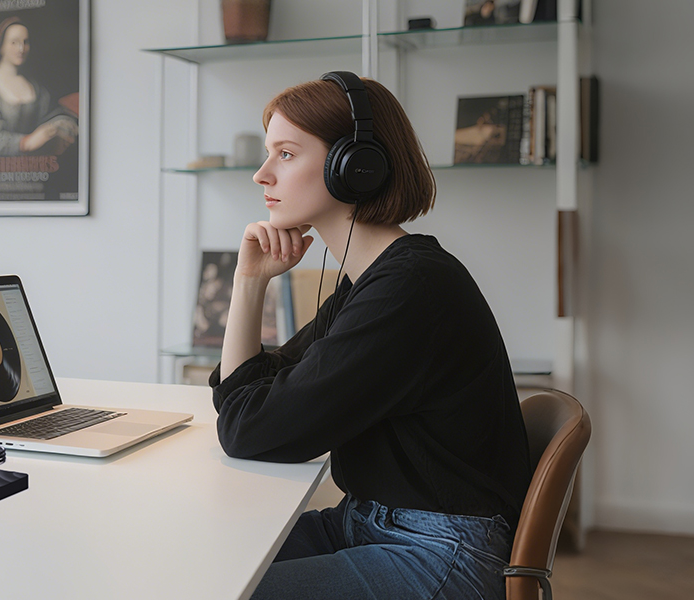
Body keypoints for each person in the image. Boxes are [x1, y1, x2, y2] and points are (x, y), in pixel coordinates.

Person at [210, 73, 533, 599]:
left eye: (286, 154)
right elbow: (243, 396)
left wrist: (247, 409)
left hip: (436, 553)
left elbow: (248, 429)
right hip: (368, 523)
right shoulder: (369, 281)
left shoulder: (409, 288)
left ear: (356, 167)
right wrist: (250, 282)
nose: (261, 175)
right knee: (200, 559)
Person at [0, 16, 78, 157]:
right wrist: (24, 142)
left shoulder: (33, 86)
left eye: (25, 42)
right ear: (1, 46)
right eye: (14, 42)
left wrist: (57, 127)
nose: (21, 49)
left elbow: (51, 115)